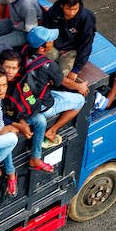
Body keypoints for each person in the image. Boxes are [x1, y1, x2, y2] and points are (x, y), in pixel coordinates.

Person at [21, 26, 87, 170]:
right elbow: (63, 82)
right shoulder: (48, 65)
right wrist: (80, 87)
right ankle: (52, 130)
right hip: (43, 106)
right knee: (80, 101)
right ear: (43, 47)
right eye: (50, 40)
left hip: (26, 101)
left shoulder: (24, 52)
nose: (53, 41)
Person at [41, 0, 96, 81]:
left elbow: (86, 45)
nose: (71, 13)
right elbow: (46, 28)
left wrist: (76, 69)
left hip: (72, 50)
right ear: (62, 5)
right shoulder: (55, 11)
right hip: (54, 46)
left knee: (60, 78)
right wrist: (47, 42)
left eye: (75, 9)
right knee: (40, 65)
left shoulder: (87, 18)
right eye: (68, 9)